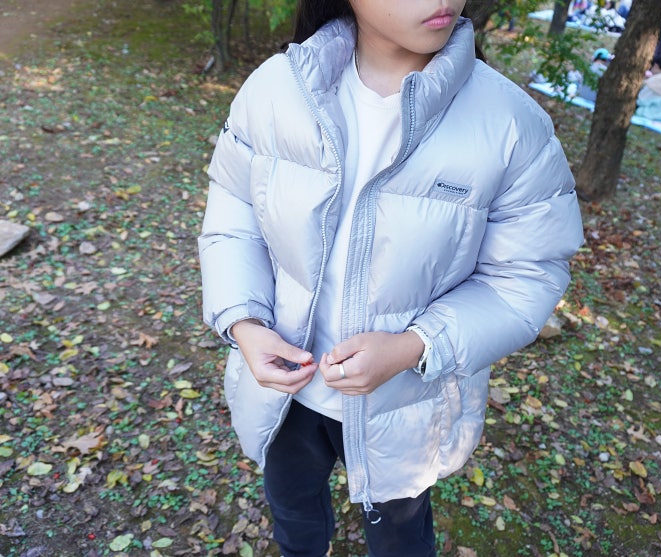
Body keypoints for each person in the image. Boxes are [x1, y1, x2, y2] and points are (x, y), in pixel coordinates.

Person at [198, 1, 584, 556]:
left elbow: (526, 277)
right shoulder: (276, 89)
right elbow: (233, 221)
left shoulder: (511, 125)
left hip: (407, 406)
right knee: (293, 511)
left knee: (401, 536)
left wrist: (413, 347)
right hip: (284, 390)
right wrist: (245, 324)